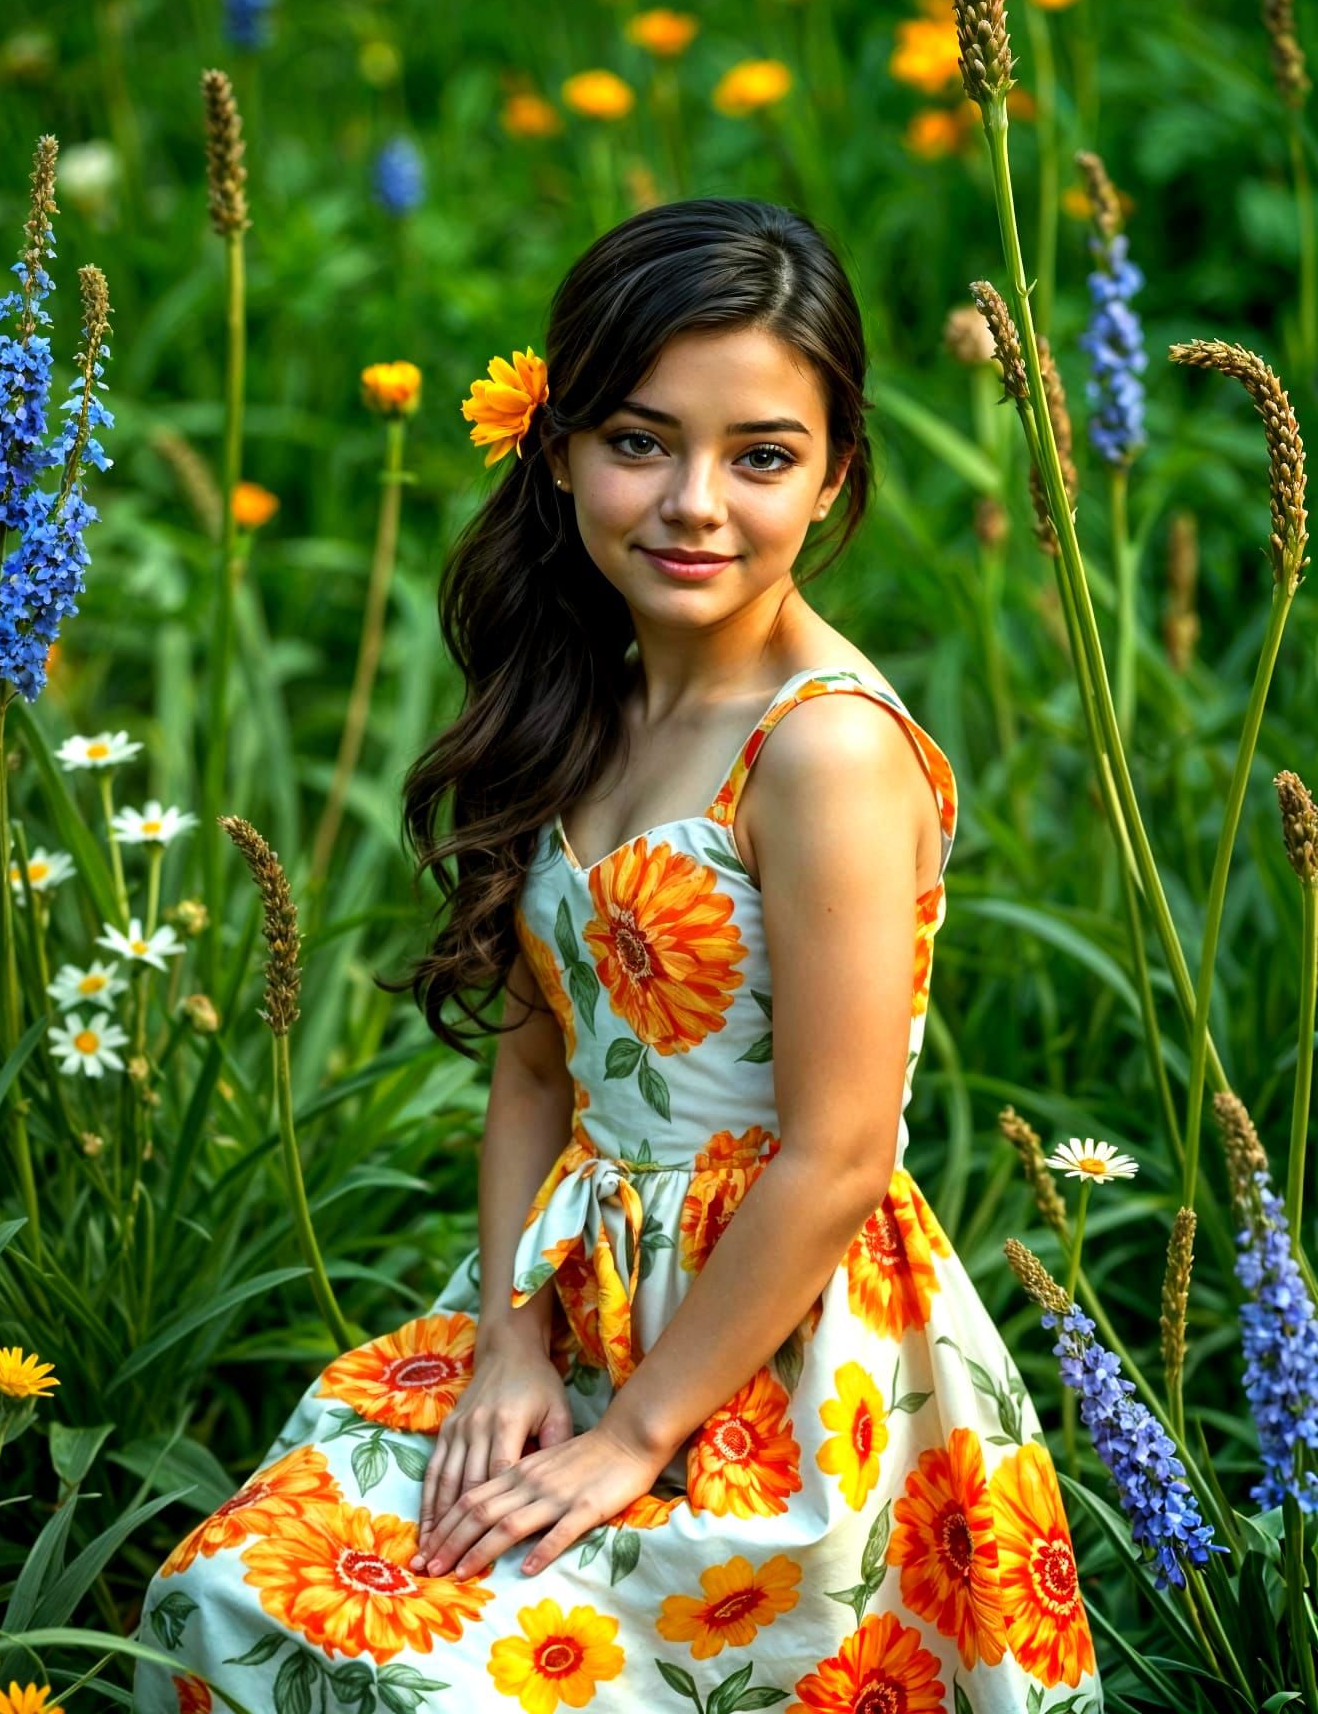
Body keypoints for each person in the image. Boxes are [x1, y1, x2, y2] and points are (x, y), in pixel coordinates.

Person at [133, 197, 1103, 1714]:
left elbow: (836, 1157)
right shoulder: (584, 700)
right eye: (641, 442)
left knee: (437, 1685)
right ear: (559, 446)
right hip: (570, 1299)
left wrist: (634, 1436)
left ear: (834, 470)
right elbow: (534, 1068)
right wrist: (512, 1347)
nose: (694, 503)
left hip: (771, 1358)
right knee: (235, 1601)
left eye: (760, 456)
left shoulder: (825, 754)